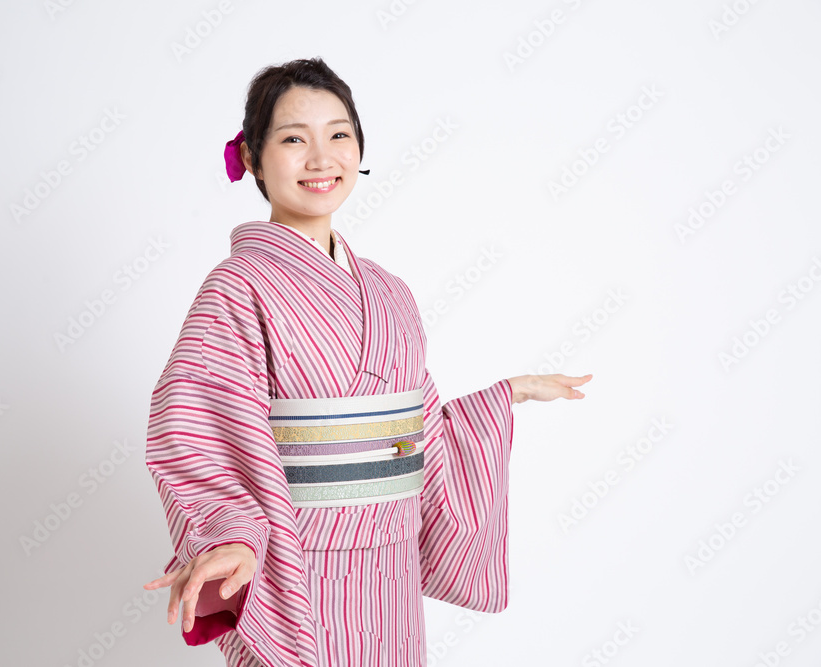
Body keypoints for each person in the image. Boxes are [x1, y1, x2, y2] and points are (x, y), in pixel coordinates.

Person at [143, 57, 592, 667]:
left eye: (339, 135)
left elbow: (420, 433)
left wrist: (502, 398)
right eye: (294, 139)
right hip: (294, 571)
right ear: (252, 158)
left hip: (391, 572)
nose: (320, 158)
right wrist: (231, 535)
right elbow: (195, 429)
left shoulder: (389, 292)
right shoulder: (238, 286)